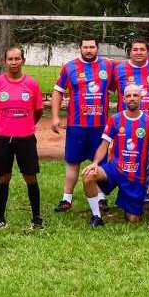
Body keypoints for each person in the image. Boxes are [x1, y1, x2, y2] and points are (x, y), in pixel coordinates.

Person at [50, 35, 114, 212]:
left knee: (99, 163)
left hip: (100, 126)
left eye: (92, 47)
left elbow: (122, 82)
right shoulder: (69, 67)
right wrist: (55, 117)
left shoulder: (108, 66)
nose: (88, 50)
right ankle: (66, 199)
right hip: (77, 126)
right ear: (80, 48)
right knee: (72, 162)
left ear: (97, 48)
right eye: (85, 47)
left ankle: (101, 198)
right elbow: (57, 92)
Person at [81, 84, 149, 227]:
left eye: (135, 95)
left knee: (133, 219)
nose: (132, 98)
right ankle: (96, 216)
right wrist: (95, 163)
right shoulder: (115, 119)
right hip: (115, 169)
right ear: (123, 99)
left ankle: (126, 200)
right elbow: (104, 145)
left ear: (141, 98)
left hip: (135, 175)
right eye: (128, 96)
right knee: (88, 175)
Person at [0, 46, 44, 231]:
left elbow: (38, 111)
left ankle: (36, 218)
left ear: (23, 61)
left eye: (17, 59)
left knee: (30, 177)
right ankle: (0, 217)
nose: (14, 62)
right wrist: (5, 124)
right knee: (3, 177)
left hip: (25, 137)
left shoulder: (32, 84)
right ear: (5, 61)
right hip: (2, 138)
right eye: (10, 59)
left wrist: (24, 125)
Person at [112, 39, 149, 119]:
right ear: (130, 53)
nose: (139, 52)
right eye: (135, 50)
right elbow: (108, 90)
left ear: (148, 52)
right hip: (124, 123)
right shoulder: (119, 69)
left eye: (142, 49)